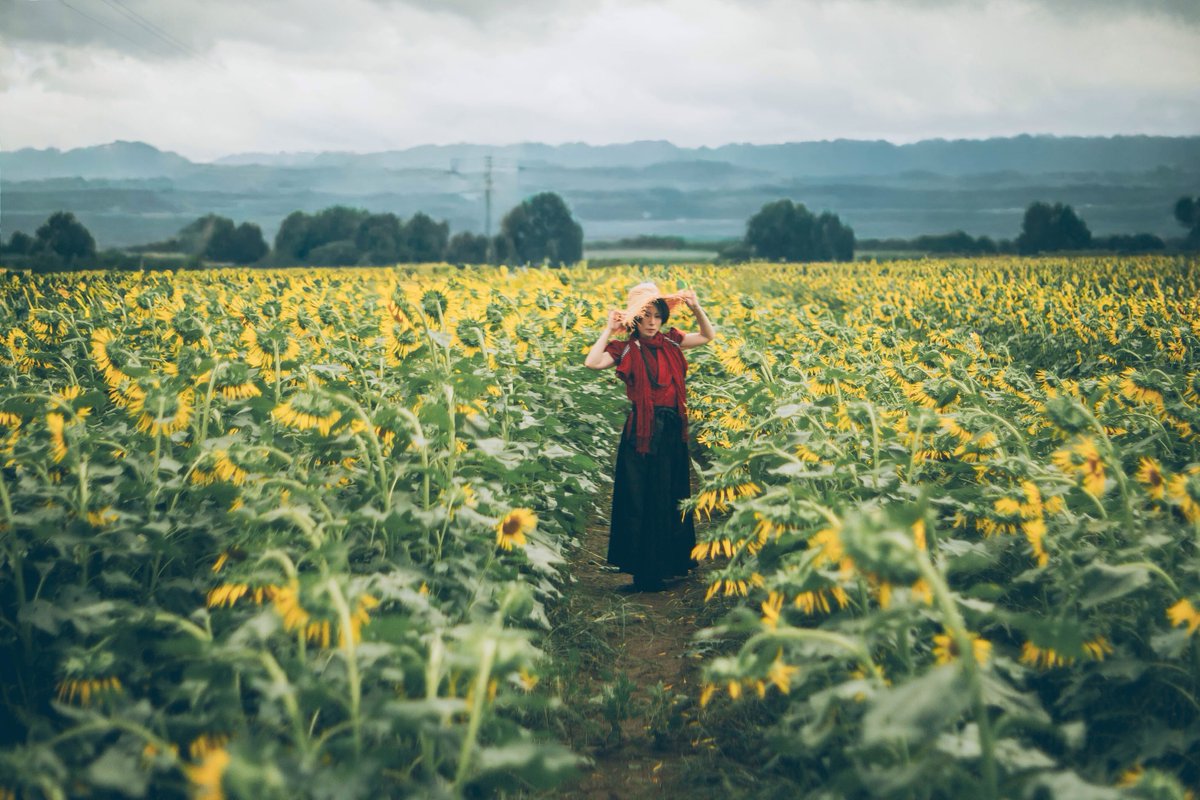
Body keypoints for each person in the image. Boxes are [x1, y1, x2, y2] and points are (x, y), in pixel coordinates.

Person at [584, 282, 717, 591]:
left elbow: (708, 335)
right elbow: (592, 363)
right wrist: (608, 329)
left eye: (657, 315)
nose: (651, 322)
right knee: (640, 498)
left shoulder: (672, 342)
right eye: (644, 316)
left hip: (671, 429)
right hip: (642, 432)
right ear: (634, 320)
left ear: (663, 318)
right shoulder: (626, 347)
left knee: (669, 496)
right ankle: (645, 574)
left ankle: (671, 565)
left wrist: (696, 307)